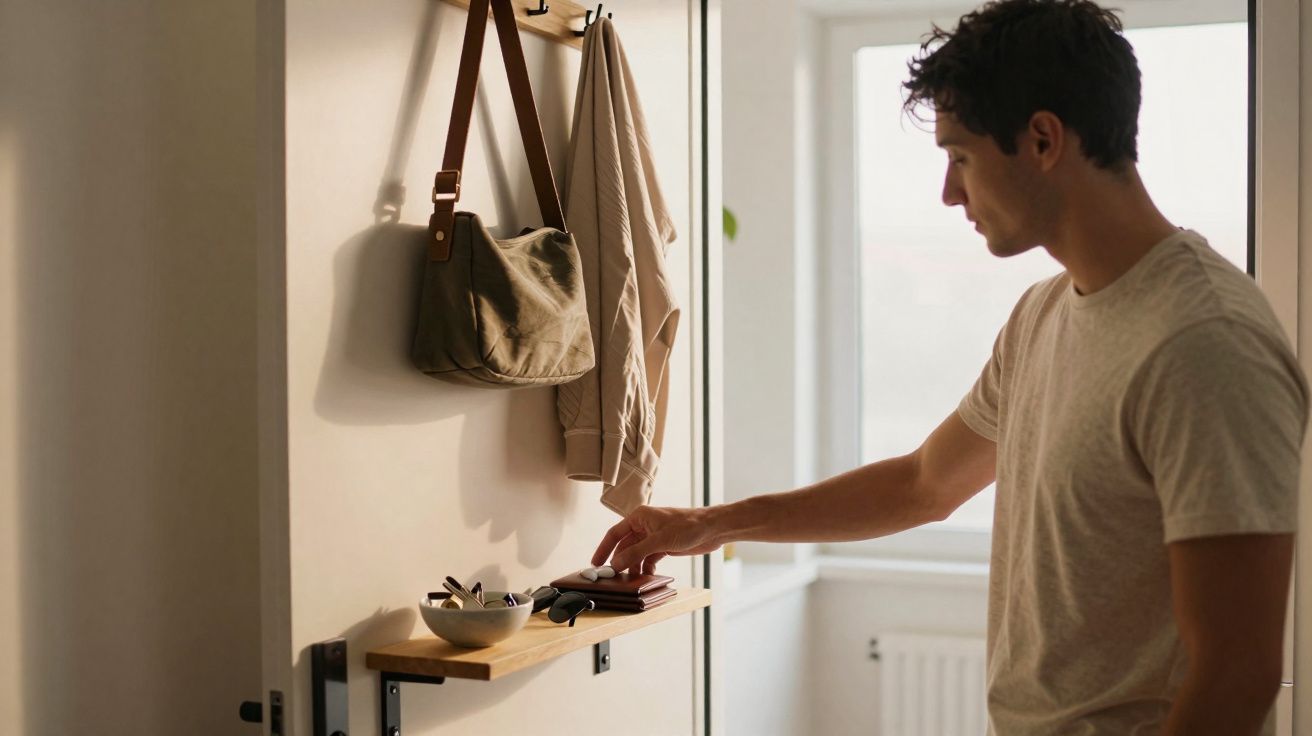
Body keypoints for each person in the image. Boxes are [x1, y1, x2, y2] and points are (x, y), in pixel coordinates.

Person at [590, 1, 1308, 733]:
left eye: (960, 156)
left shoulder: (1206, 344)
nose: (949, 191)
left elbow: (1238, 673)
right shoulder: (1042, 315)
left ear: (1042, 139)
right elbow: (924, 484)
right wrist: (708, 524)